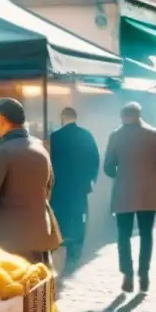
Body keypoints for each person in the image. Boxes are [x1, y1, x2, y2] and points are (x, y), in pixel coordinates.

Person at [0, 99, 58, 264]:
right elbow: (49, 185)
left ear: (1, 118)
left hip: (5, 244)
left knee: (8, 288)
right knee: (35, 286)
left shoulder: (1, 152)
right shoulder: (40, 147)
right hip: (38, 239)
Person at [103, 102, 156, 293]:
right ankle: (144, 274)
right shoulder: (154, 134)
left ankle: (127, 274)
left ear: (124, 116)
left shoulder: (116, 135)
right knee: (146, 234)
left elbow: (108, 166)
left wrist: (120, 174)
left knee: (123, 234)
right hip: (148, 191)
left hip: (124, 191)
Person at [49, 107, 100, 272]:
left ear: (63, 118)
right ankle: (75, 251)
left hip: (60, 185)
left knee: (60, 215)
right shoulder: (86, 136)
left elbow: (48, 161)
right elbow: (95, 159)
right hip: (80, 185)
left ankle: (61, 243)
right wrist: (91, 180)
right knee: (79, 215)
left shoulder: (55, 137)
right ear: (75, 118)